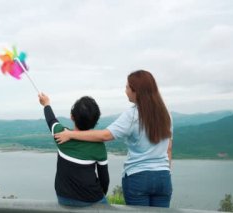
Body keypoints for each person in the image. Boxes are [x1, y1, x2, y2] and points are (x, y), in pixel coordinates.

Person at [54, 70, 173, 207]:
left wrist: (70, 134)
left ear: (136, 92)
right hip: (163, 177)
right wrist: (165, 173)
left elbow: (105, 135)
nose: (125, 90)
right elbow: (168, 148)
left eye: (127, 87)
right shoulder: (166, 114)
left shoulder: (132, 115)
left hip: (138, 177)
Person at [38, 93, 109, 207]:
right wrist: (101, 196)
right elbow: (104, 179)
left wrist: (46, 104)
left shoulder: (61, 135)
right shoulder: (98, 145)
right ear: (95, 121)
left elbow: (51, 120)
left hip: (64, 198)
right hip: (93, 199)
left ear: (72, 117)